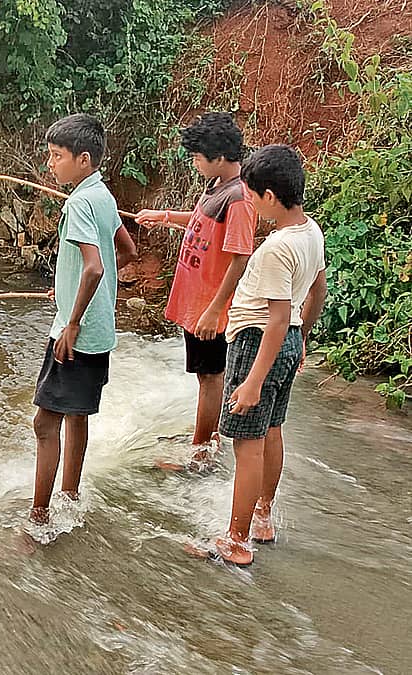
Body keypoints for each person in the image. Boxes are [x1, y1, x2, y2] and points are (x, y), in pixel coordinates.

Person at [213, 144, 327, 566]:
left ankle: (236, 541)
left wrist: (252, 382)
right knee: (272, 429)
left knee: (247, 444)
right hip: (287, 342)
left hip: (257, 343)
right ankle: (262, 517)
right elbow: (317, 292)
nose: (250, 203)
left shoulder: (278, 248)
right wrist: (302, 340)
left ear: (271, 197)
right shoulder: (311, 232)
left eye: (252, 196)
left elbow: (276, 318)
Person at [29, 113, 138, 529]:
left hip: (76, 334)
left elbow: (93, 268)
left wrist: (72, 320)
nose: (51, 164)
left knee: (45, 424)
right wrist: (70, 285)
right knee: (77, 416)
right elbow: (125, 252)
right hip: (100, 332)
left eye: (57, 156)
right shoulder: (102, 195)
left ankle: (38, 519)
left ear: (84, 159)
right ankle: (70, 497)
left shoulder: (77, 203)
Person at [135, 113, 257, 471]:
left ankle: (201, 451)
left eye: (198, 157)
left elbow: (240, 257)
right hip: (197, 299)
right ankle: (206, 436)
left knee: (211, 376)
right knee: (205, 375)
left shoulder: (239, 198)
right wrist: (164, 216)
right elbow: (201, 221)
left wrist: (215, 310)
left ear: (219, 156)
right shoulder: (218, 186)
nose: (194, 163)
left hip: (210, 305)